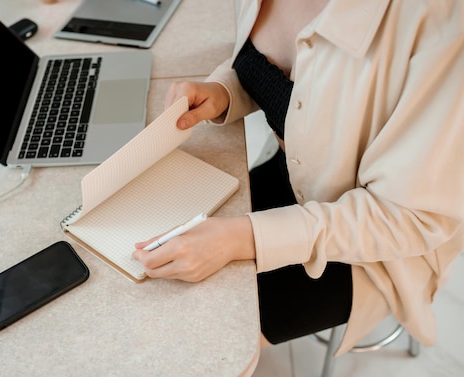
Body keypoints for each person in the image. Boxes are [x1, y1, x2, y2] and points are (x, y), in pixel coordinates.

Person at [132, 0, 464, 355]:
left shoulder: (438, 22)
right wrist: (226, 90)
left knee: (197, 346)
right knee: (148, 290)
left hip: (370, 254)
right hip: (291, 178)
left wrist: (241, 238)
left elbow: (407, 218)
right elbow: (297, 82)